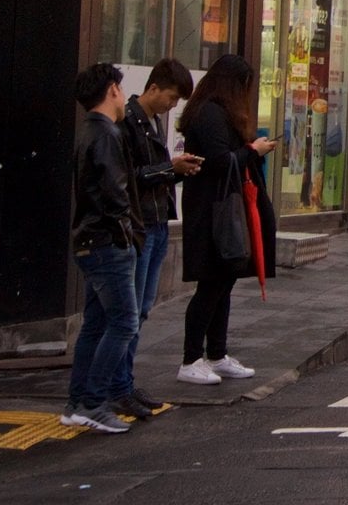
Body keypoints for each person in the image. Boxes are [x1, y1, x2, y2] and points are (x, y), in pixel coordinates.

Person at [177, 54, 275, 388]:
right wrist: (254, 151)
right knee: (212, 283)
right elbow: (219, 161)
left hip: (223, 205)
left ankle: (217, 353)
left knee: (225, 278)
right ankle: (191, 359)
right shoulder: (210, 114)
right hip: (213, 209)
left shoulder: (214, 112)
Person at [112, 58, 199, 419]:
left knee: (142, 309)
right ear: (153, 89)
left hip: (159, 223)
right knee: (129, 312)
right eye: (172, 97)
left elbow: (152, 176)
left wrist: (179, 170)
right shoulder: (128, 123)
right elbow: (129, 176)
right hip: (141, 226)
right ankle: (118, 386)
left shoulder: (151, 122)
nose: (172, 105)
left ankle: (125, 383)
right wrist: (170, 168)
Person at [65, 63, 142, 435]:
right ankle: (94, 402)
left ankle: (77, 402)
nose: (124, 97)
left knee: (95, 324)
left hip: (89, 240)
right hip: (108, 242)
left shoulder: (87, 132)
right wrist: (127, 232)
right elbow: (115, 194)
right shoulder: (108, 134)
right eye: (122, 90)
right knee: (125, 321)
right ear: (112, 89)